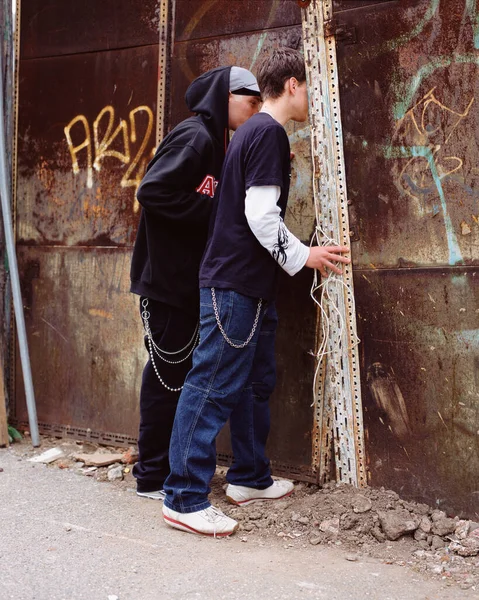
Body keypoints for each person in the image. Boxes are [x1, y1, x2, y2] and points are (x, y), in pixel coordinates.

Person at [162, 48, 351, 536]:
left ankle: (248, 477)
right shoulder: (266, 132)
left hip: (248, 284)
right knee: (212, 383)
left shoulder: (251, 132)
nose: (317, 99)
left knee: (250, 382)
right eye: (312, 88)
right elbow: (260, 216)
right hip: (234, 284)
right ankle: (182, 497)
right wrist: (305, 256)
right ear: (292, 85)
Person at [130, 66, 262, 501]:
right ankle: (150, 478)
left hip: (187, 283)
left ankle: (161, 471)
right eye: (252, 100)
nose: (257, 109)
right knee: (166, 377)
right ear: (227, 95)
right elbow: (151, 191)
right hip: (165, 282)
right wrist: (213, 214)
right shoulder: (196, 137)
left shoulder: (219, 144)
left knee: (178, 376)